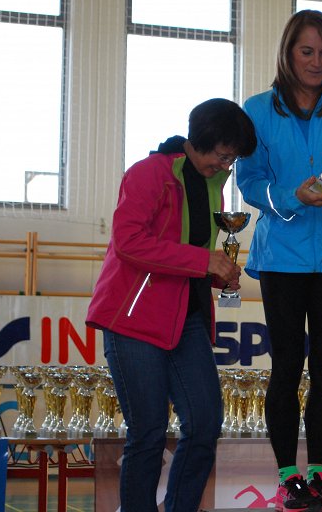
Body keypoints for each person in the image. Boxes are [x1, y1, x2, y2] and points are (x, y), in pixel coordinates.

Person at [236, 10, 322, 512]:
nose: (317, 61)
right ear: (288, 53)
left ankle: (318, 475)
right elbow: (249, 183)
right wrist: (292, 197)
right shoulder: (258, 110)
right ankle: (287, 479)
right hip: (280, 258)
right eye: (307, 51)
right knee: (285, 368)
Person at [86, 98, 257, 512]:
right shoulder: (148, 173)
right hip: (134, 319)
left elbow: (189, 253)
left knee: (205, 424)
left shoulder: (213, 184)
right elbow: (129, 243)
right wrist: (204, 261)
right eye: (223, 155)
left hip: (188, 318)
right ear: (201, 140)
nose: (226, 165)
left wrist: (217, 273)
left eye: (232, 159)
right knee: (148, 433)